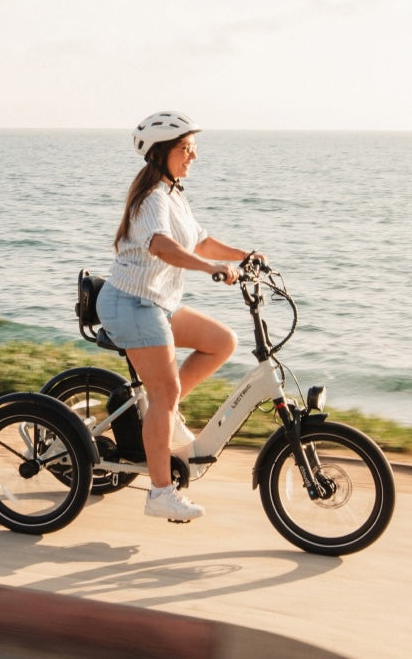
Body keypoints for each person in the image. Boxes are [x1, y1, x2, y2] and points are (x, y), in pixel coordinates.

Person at [96, 111, 262, 521]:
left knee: (221, 342)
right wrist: (211, 270)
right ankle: (160, 493)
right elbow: (161, 246)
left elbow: (200, 241)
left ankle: (161, 416)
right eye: (185, 148)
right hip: (131, 304)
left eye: (193, 147)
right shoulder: (153, 196)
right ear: (161, 153)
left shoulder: (173, 194)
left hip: (156, 303)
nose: (193, 156)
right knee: (166, 393)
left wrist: (244, 256)